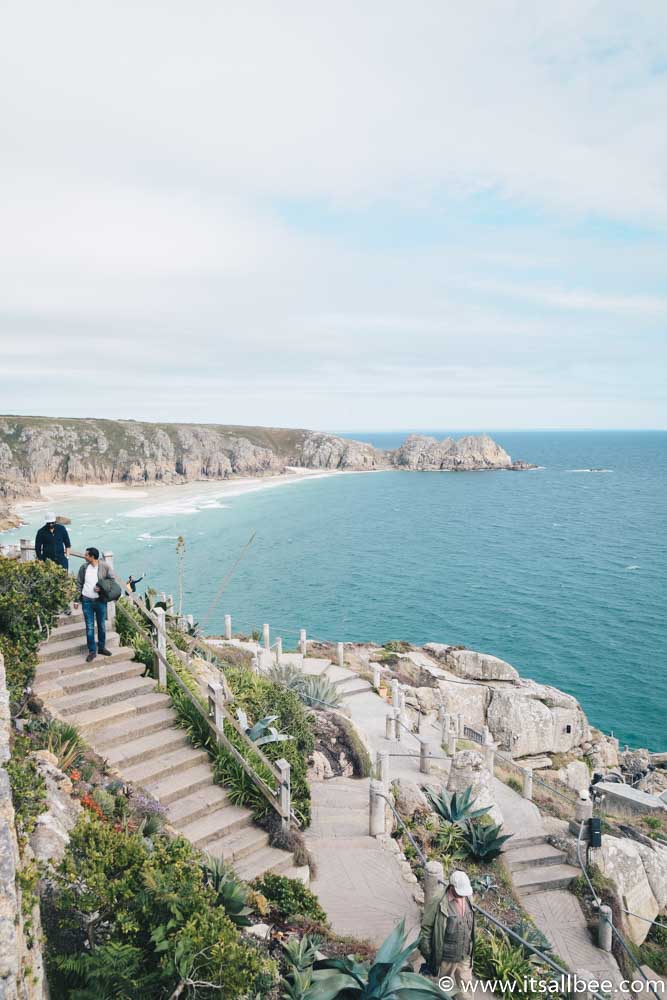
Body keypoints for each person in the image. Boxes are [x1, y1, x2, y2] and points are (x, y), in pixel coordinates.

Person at [418, 869, 475, 986]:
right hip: (445, 958)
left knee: (466, 988)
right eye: (460, 892)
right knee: (443, 987)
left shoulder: (468, 898)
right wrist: (430, 956)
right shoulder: (437, 901)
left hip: (464, 954)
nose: (463, 895)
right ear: (451, 887)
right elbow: (426, 929)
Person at [73, 547, 125, 663]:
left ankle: (101, 648)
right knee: (90, 627)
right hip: (86, 601)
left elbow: (111, 580)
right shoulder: (83, 567)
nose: (84, 557)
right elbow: (79, 583)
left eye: (86, 555)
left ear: (92, 557)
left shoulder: (104, 566)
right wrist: (76, 600)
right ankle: (92, 651)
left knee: (101, 625)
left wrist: (101, 587)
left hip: (100, 601)